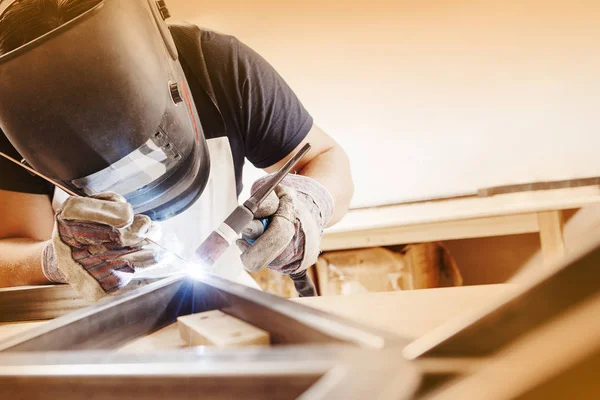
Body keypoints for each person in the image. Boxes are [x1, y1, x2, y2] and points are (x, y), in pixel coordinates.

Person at [0, 0, 353, 300]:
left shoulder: (214, 66)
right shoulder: (16, 103)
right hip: (94, 319)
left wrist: (308, 206)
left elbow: (322, 157)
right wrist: (56, 259)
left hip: (222, 301)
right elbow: (11, 245)